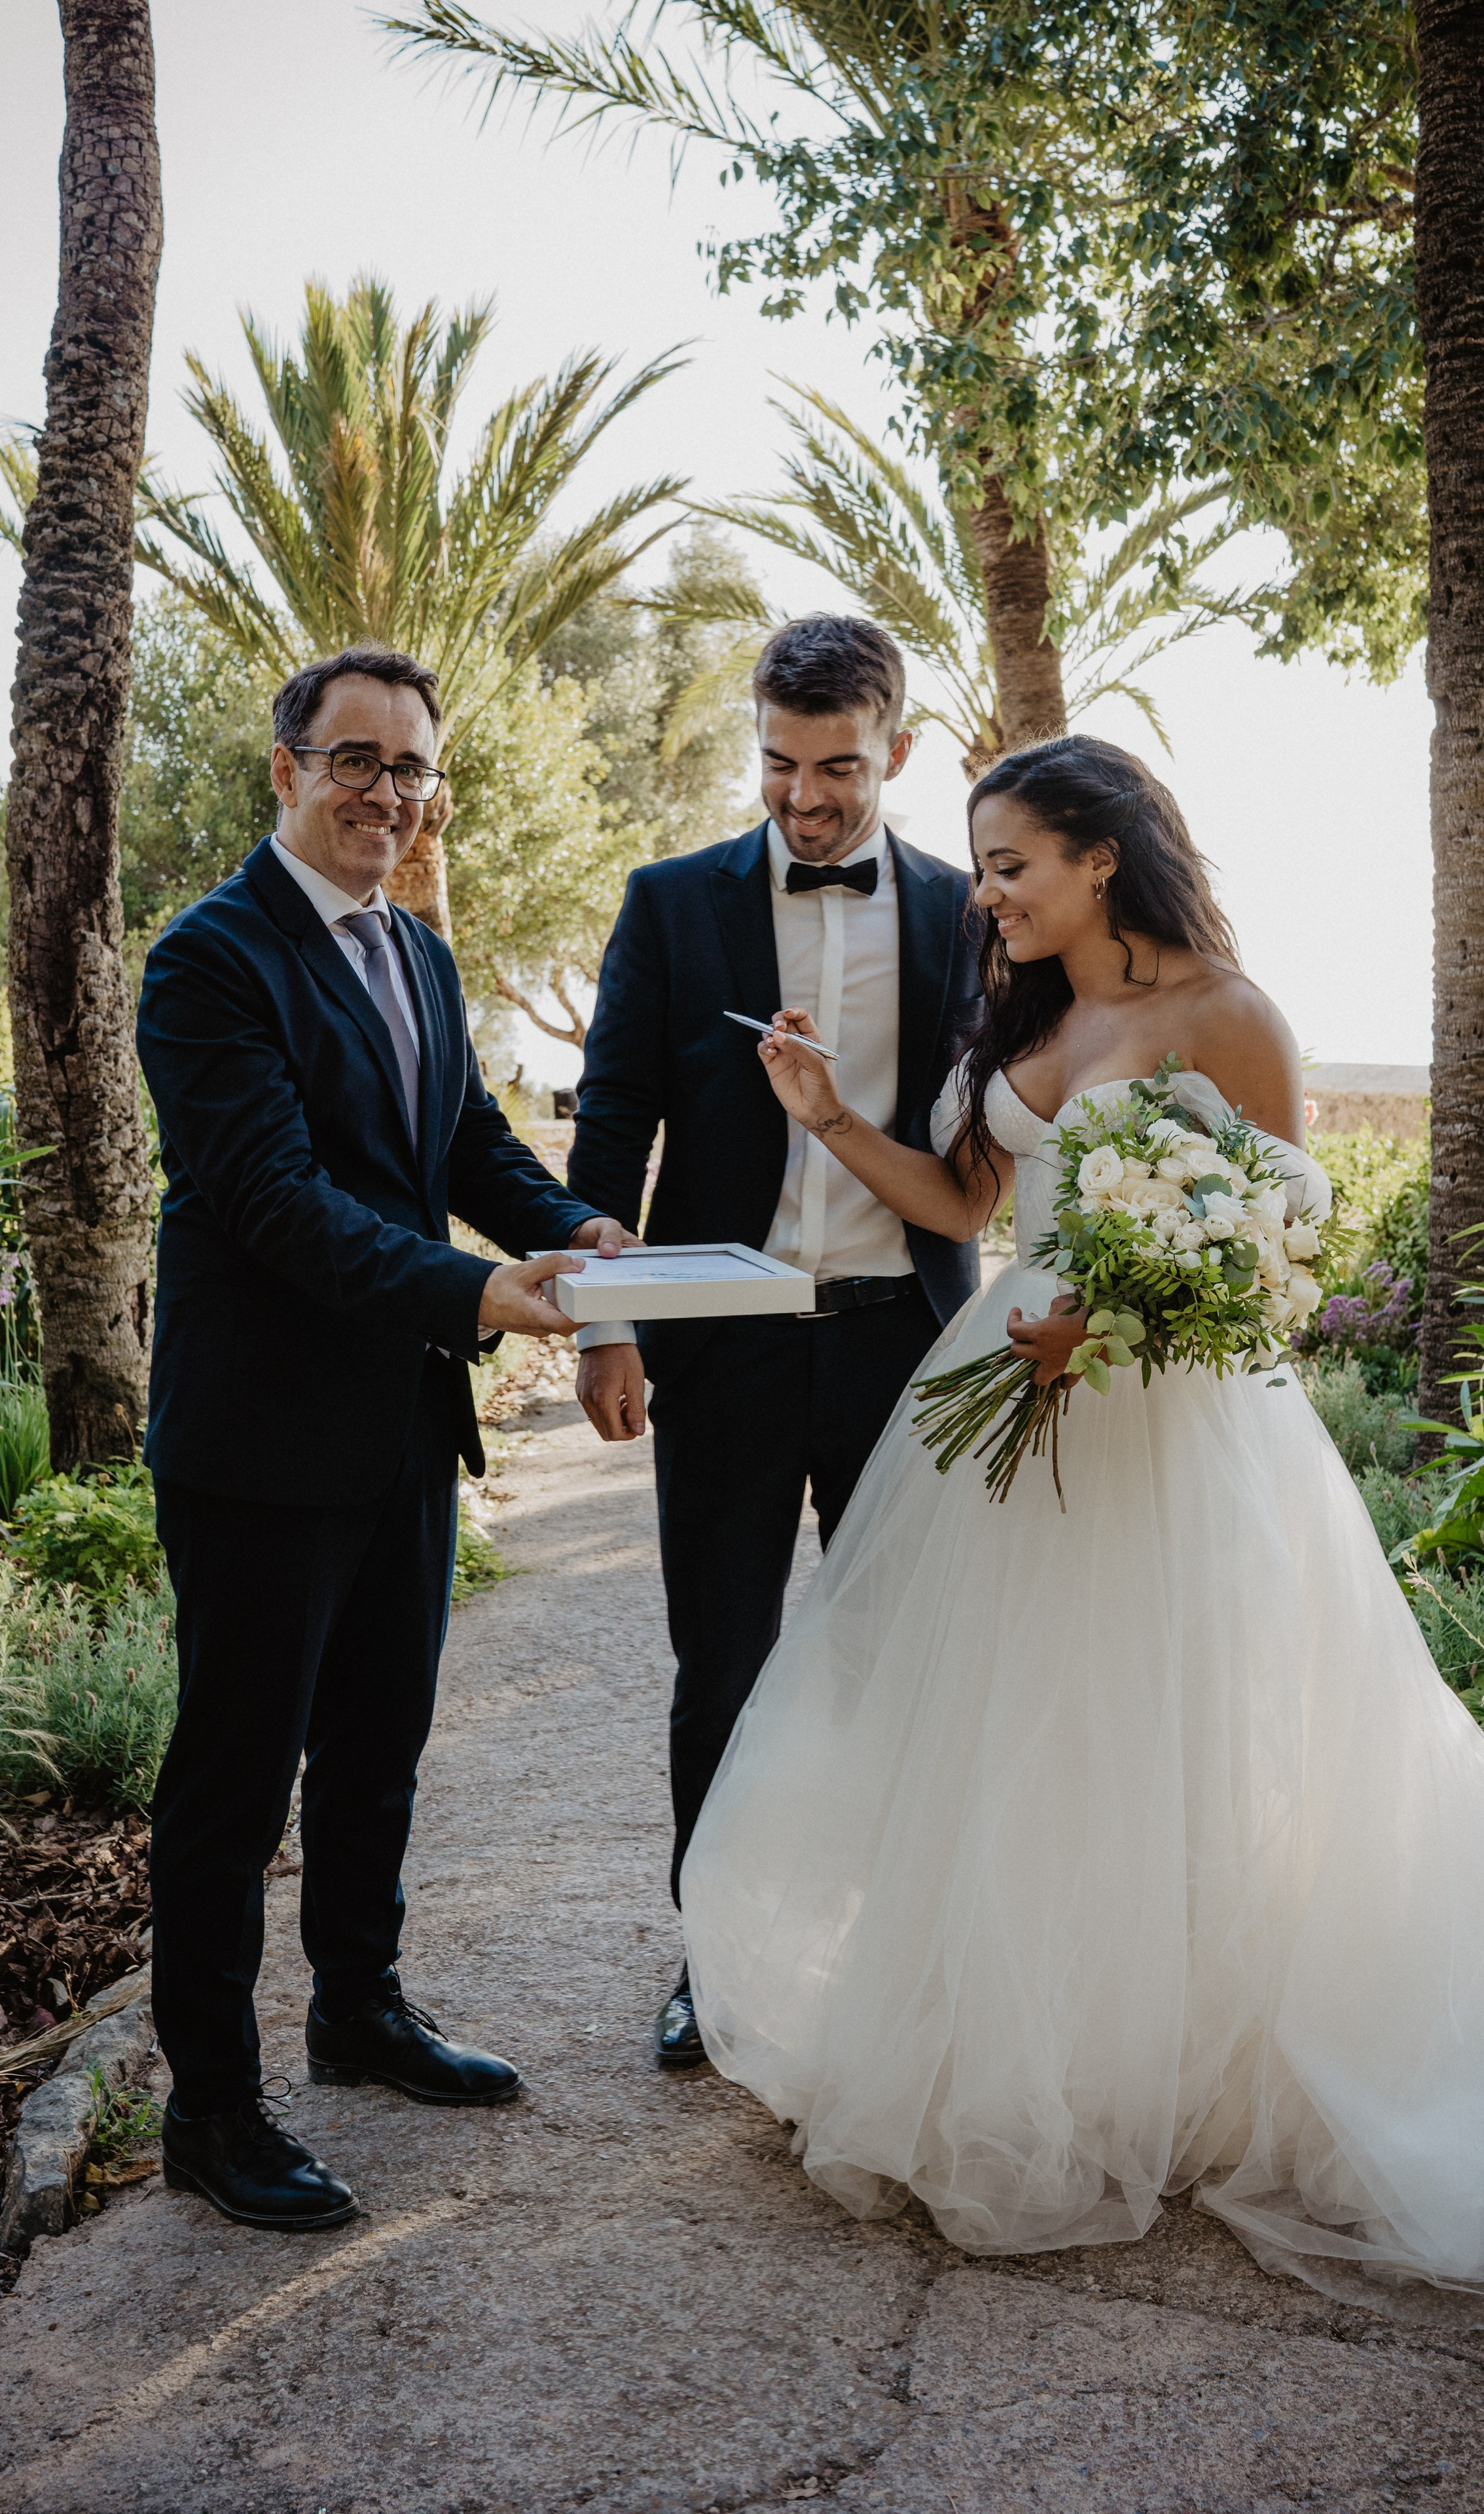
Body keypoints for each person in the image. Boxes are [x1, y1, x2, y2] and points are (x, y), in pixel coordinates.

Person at [680, 734, 1484, 2327]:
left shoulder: (1229, 1015)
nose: (986, 893)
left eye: (1009, 863)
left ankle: (1204, 2063)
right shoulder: (1029, 1013)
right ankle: (1044, 2054)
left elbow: (1282, 1254)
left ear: (1100, 855)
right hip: (1004, 1411)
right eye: (982, 865)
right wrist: (816, 1115)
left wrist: (1119, 1322)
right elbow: (959, 1209)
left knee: (1184, 1733)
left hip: (1172, 1432)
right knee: (1019, 1733)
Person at [137, 647, 631, 2232]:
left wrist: (572, 1226)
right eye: (356, 760)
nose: (387, 794)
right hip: (259, 1438)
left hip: (401, 1425)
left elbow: (465, 1141)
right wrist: (489, 1293)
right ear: (284, 769)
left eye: (412, 768)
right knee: (233, 1782)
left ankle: (357, 2011)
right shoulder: (207, 961)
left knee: (377, 1748)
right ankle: (212, 2113)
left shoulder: (415, 954)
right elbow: (277, 1206)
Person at [566, 615, 981, 2061]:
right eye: (778, 764)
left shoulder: (960, 912)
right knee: (722, 1663)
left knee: (893, 1666)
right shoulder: (670, 903)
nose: (802, 798)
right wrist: (600, 1326)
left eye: (836, 771)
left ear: (899, 755)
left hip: (904, 1346)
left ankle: (884, 1962)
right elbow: (612, 1119)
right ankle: (713, 1963)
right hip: (722, 1342)